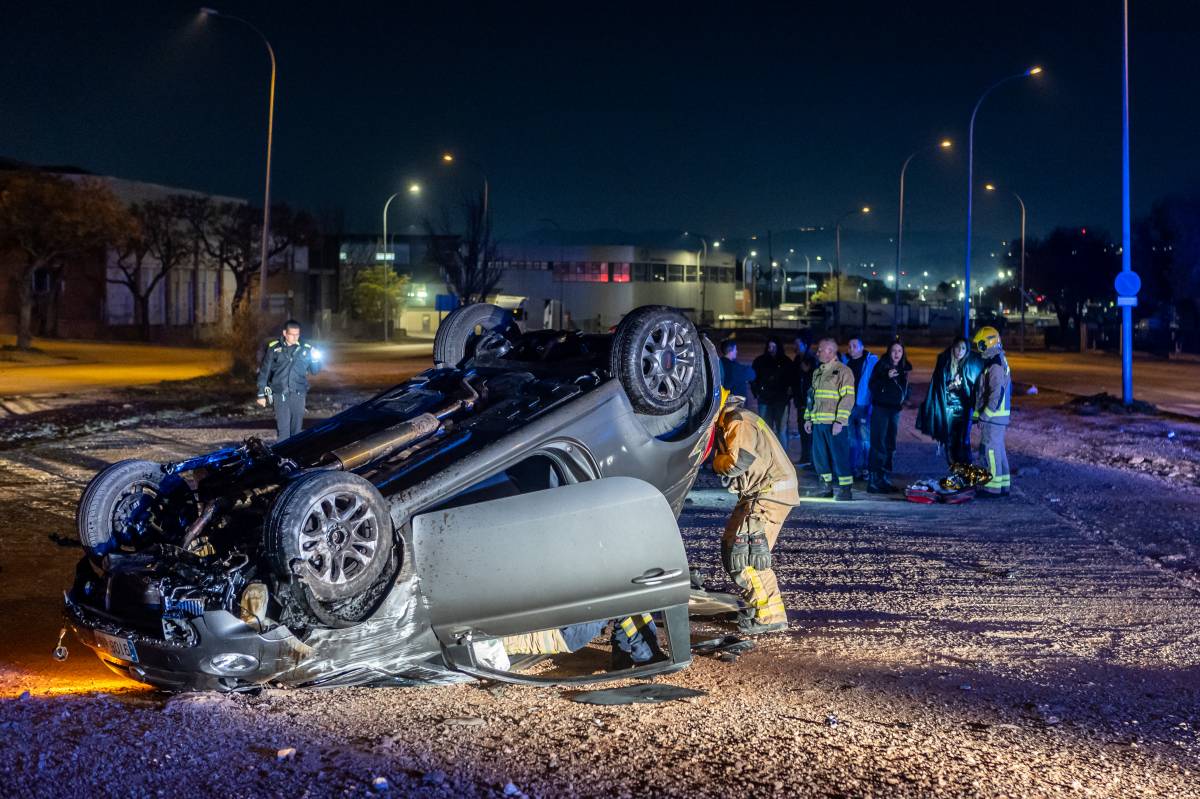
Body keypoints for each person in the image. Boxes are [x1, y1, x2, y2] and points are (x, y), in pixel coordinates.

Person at [711, 389, 797, 634]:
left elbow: (738, 462)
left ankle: (770, 616)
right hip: (759, 492)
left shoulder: (736, 421)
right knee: (731, 545)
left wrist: (715, 462)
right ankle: (757, 605)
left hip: (769, 493)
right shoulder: (734, 418)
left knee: (747, 555)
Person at [916, 336, 980, 466]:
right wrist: (952, 385)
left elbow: (974, 387)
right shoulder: (945, 363)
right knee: (950, 441)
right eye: (958, 347)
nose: (960, 351)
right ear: (953, 348)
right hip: (949, 409)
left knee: (963, 441)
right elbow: (939, 387)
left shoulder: (971, 364)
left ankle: (966, 471)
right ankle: (954, 470)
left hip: (965, 409)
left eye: (963, 348)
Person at [805, 338, 856, 500]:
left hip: (834, 424)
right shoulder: (818, 371)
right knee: (820, 457)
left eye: (821, 349)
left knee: (839, 456)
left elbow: (848, 397)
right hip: (819, 422)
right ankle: (825, 488)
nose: (818, 352)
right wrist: (808, 418)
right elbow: (812, 398)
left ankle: (845, 490)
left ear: (830, 351)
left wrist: (840, 421)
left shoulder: (844, 371)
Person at [256, 319, 323, 440]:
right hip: (280, 393)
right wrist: (261, 394)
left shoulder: (306, 349)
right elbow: (264, 372)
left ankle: (294, 456)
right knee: (283, 430)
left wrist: (315, 358)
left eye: (297, 334)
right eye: (292, 334)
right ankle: (282, 457)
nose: (295, 337)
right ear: (285, 333)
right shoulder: (274, 348)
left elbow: (315, 371)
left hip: (298, 394)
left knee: (296, 430)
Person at [866, 341, 911, 494]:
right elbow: (872, 386)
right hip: (881, 409)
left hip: (895, 410)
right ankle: (873, 480)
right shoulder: (882, 366)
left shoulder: (904, 368)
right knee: (878, 443)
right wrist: (886, 376)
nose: (897, 354)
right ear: (889, 352)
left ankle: (883, 477)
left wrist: (905, 398)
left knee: (890, 445)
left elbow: (905, 388)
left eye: (899, 350)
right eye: (894, 351)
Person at [972, 326, 1012, 497]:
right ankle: (1003, 486)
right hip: (999, 417)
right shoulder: (998, 360)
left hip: (993, 417)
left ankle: (992, 488)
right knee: (999, 450)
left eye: (981, 345)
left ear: (989, 343)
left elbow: (996, 392)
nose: (978, 349)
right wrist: (976, 415)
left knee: (991, 451)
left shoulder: (995, 364)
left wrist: (985, 415)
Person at [840, 337, 878, 480]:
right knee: (851, 439)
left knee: (865, 439)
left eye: (854, 346)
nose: (851, 348)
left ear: (862, 347)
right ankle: (852, 468)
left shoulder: (871, 361)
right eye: (849, 346)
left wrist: (871, 403)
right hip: (848, 405)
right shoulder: (845, 362)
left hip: (864, 405)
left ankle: (867, 468)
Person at [750, 337, 792, 450]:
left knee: (781, 430)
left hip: (781, 401)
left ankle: (783, 456)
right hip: (764, 400)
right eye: (769, 346)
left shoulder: (786, 361)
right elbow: (753, 379)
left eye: (773, 347)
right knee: (764, 429)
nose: (771, 349)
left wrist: (788, 395)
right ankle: (766, 454)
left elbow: (792, 380)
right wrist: (757, 392)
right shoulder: (760, 361)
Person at [790, 335, 817, 466]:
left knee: (809, 431)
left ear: (805, 345)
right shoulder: (797, 359)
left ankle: (811, 459)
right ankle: (805, 457)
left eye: (797, 344)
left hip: (809, 402)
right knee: (802, 429)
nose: (795, 346)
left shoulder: (811, 359)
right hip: (800, 401)